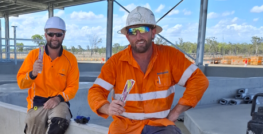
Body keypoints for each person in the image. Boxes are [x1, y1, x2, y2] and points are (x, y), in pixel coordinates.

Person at [87, 6, 209, 134]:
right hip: (125, 126)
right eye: (132, 32)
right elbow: (96, 91)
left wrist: (177, 110)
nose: (138, 36)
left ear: (153, 32)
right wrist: (107, 107)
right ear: (128, 37)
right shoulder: (115, 63)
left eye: (143, 29)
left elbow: (199, 80)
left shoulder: (170, 57)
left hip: (160, 125)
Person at [17, 16, 79, 134]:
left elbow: (73, 87)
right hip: (37, 104)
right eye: (51, 34)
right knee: (33, 123)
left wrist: (58, 98)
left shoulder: (70, 59)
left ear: (64, 35)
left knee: (61, 119)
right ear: (45, 35)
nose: (54, 37)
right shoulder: (34, 55)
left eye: (58, 34)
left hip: (59, 102)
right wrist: (32, 74)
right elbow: (21, 83)